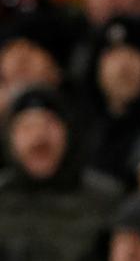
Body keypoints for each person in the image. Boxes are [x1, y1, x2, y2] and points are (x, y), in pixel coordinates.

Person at [0, 85, 124, 261]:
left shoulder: (107, 199)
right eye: (27, 127)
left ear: (68, 132)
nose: (39, 136)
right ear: (9, 140)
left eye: (49, 124)